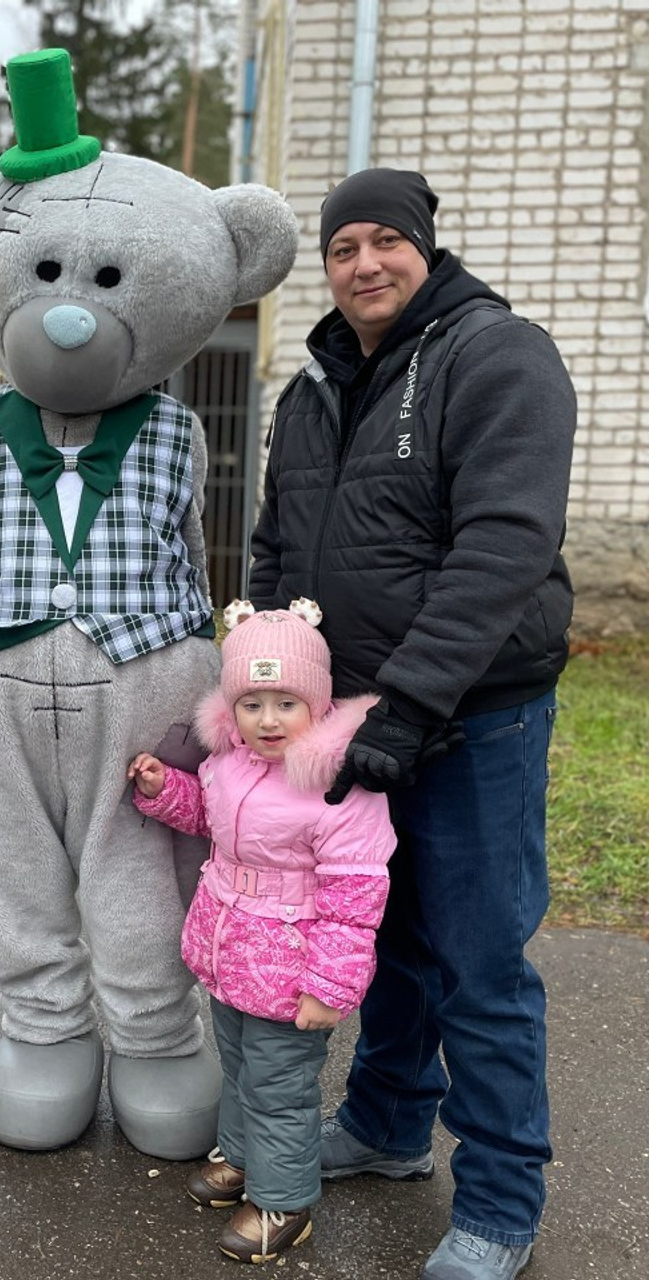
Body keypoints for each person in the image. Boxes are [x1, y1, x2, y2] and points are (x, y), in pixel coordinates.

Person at [249, 168, 577, 1280]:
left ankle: (499, 1201)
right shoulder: (312, 386)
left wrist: (414, 700)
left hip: (476, 716)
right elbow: (275, 548)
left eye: (385, 241)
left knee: (478, 961)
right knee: (383, 936)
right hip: (352, 716)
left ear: (424, 249)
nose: (364, 264)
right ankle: (388, 1125)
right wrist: (273, 675)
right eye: (342, 247)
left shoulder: (497, 355)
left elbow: (504, 544)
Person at [128, 600, 395, 1265]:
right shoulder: (229, 764)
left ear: (318, 702)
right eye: (251, 704)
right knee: (242, 1070)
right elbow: (210, 820)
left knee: (280, 1091)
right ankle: (244, 1159)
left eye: (286, 703)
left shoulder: (340, 788)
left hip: (293, 972)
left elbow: (355, 896)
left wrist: (330, 986)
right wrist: (165, 790)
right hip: (232, 960)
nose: (268, 720)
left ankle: (285, 1201)